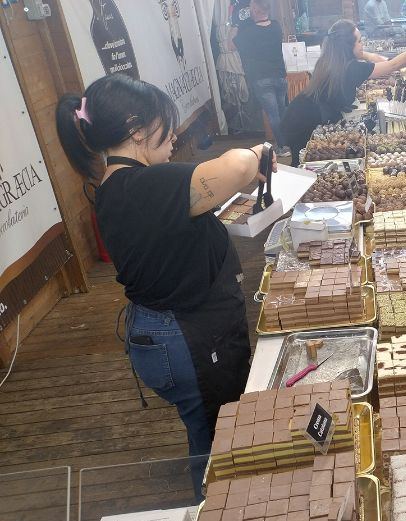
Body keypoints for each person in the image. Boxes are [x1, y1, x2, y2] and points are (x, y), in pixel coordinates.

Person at [55, 75, 273, 497]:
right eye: (164, 124)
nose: (173, 135)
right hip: (184, 339)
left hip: (166, 331)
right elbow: (237, 166)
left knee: (209, 430)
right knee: (215, 443)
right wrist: (258, 151)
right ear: (136, 130)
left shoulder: (121, 186)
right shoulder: (143, 186)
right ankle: (214, 514)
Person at [280, 21, 406, 164]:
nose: (363, 45)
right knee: (304, 165)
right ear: (348, 46)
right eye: (360, 41)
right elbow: (392, 65)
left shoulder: (331, 60)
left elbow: (380, 61)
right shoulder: (351, 68)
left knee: (305, 161)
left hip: (299, 114)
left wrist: (365, 54)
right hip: (304, 122)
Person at [233, 0, 289, 154]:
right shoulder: (276, 26)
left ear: (256, 10)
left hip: (261, 78)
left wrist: (236, 24)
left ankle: (283, 147)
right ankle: (288, 143)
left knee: (273, 114)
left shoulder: (249, 32)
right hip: (280, 75)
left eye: (251, 7)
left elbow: (231, 45)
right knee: (283, 111)